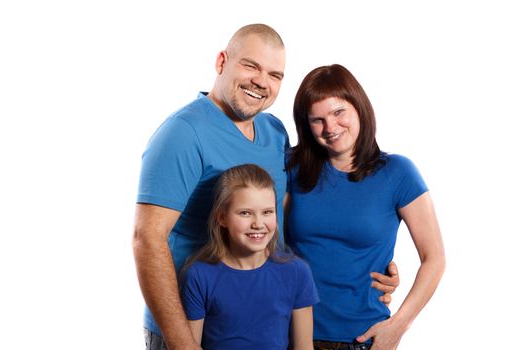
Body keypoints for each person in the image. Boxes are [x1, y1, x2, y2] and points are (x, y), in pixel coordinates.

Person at [132, 24, 398, 350]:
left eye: (275, 75)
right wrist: (183, 344)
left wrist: (365, 270)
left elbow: (284, 223)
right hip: (192, 326)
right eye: (251, 66)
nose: (262, 81)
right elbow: (147, 239)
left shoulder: (274, 132)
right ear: (221, 62)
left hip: (266, 324)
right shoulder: (183, 133)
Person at [285, 64, 445, 350]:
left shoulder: (398, 172)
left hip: (362, 339)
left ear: (359, 107)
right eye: (317, 119)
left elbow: (434, 258)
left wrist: (398, 326)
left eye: (338, 112)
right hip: (290, 335)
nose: (330, 128)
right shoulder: (291, 168)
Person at [180, 164, 318, 350]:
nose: (258, 224)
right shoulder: (198, 276)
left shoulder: (297, 272)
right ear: (222, 218)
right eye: (245, 213)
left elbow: (303, 347)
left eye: (267, 212)